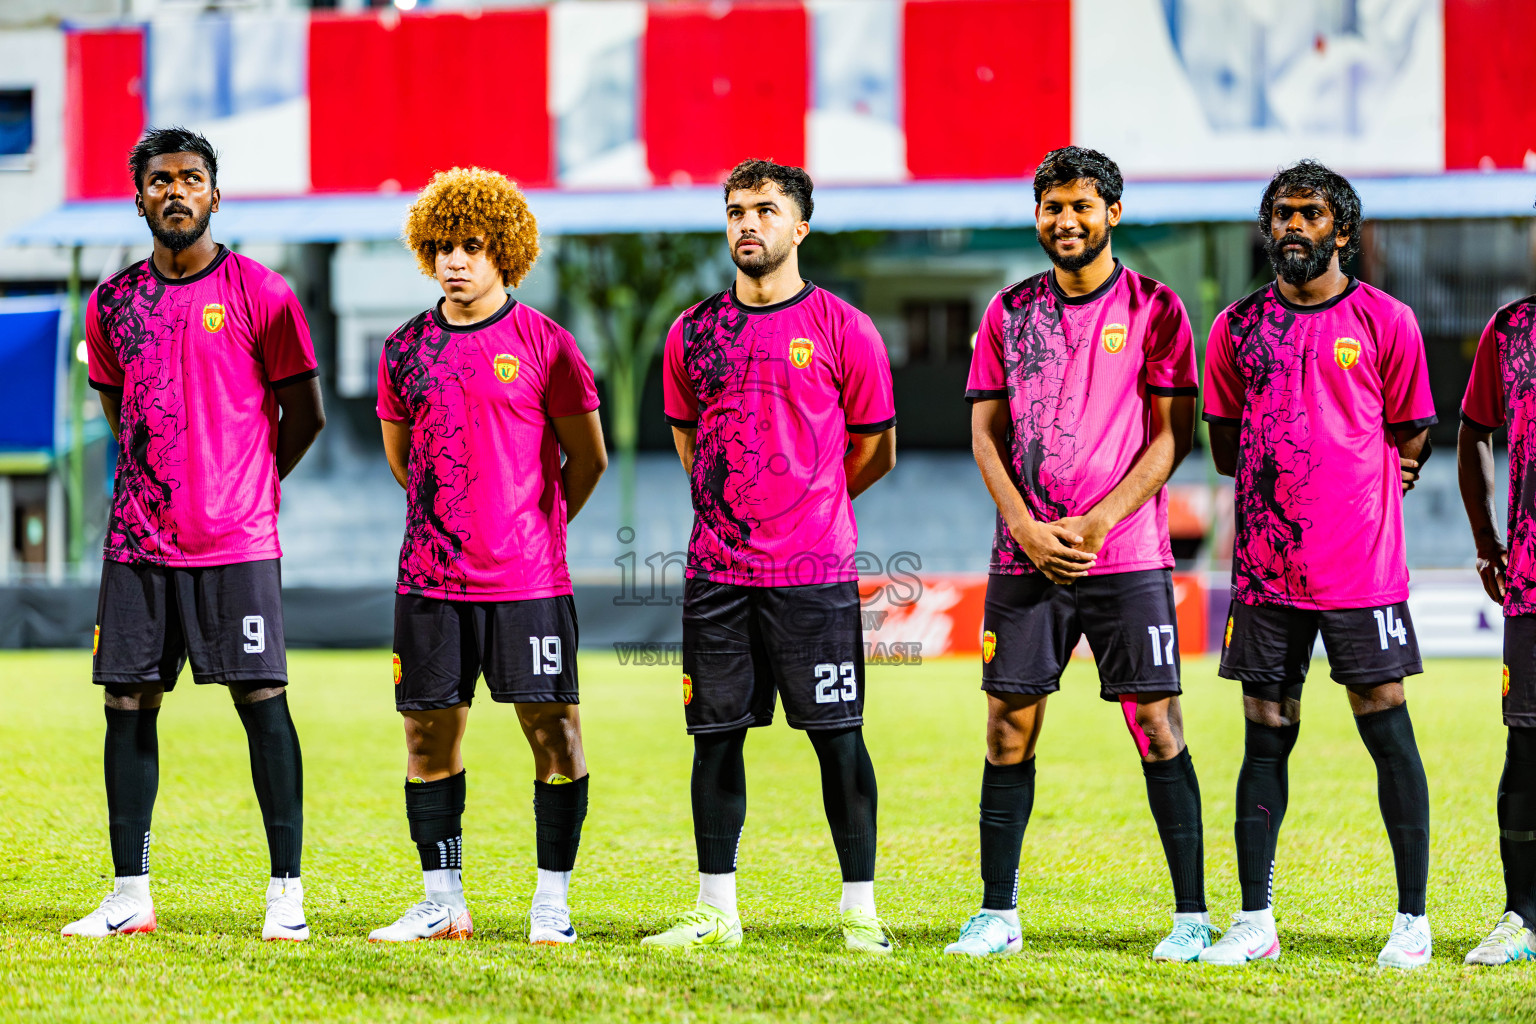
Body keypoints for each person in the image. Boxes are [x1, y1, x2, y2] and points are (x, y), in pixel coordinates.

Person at [944, 146, 1206, 960]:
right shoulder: (1007, 312)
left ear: (1112, 214)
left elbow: (1174, 438)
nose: (1066, 221)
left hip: (1123, 555)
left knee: (1159, 725)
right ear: (1038, 216)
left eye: (1081, 206)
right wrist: (1024, 524)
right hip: (1025, 557)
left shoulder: (1158, 308)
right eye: (1052, 207)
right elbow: (984, 432)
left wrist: (1097, 522)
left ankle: (1193, 919)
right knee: (1006, 730)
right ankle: (997, 914)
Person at [63, 127, 325, 940]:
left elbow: (305, 413)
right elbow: (117, 407)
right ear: (138, 196)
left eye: (192, 178)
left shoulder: (264, 292)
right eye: (161, 180)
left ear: (216, 193)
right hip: (138, 542)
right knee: (127, 704)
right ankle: (130, 895)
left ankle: (287, 896)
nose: (176, 191)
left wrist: (246, 482)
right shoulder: (111, 303)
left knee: (262, 701)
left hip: (236, 542)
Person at [641, 159, 897, 953]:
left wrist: (809, 505)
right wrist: (737, 513)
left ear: (801, 226)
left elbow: (877, 448)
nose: (747, 224)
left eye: (765, 209)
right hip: (718, 575)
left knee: (838, 737)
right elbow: (688, 441)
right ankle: (716, 910)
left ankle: (860, 911)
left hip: (813, 575)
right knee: (715, 738)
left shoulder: (844, 328)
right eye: (735, 211)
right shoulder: (691, 332)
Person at [1200, 160, 1436, 968]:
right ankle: (1255, 920)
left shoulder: (1386, 321)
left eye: (1308, 213)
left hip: (1360, 573)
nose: (1292, 227)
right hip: (1266, 575)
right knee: (1264, 738)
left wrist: (1371, 476)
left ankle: (1412, 921)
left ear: (1342, 229)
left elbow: (1413, 436)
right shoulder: (1234, 328)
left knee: (1388, 731)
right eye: (1280, 214)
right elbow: (1229, 447)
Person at [368, 168, 607, 946]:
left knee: (556, 734)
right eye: (440, 247)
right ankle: (443, 902)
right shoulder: (404, 350)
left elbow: (589, 458)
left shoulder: (547, 344)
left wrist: (530, 529)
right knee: (427, 738)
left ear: (504, 251)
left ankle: (551, 902)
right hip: (431, 582)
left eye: (471, 246)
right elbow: (406, 463)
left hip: (527, 583)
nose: (454, 262)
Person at [1457, 286, 1536, 965]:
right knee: (1529, 749)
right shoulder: (1511, 331)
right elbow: (1474, 429)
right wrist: (1487, 540)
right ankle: (1523, 917)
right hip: (1533, 582)